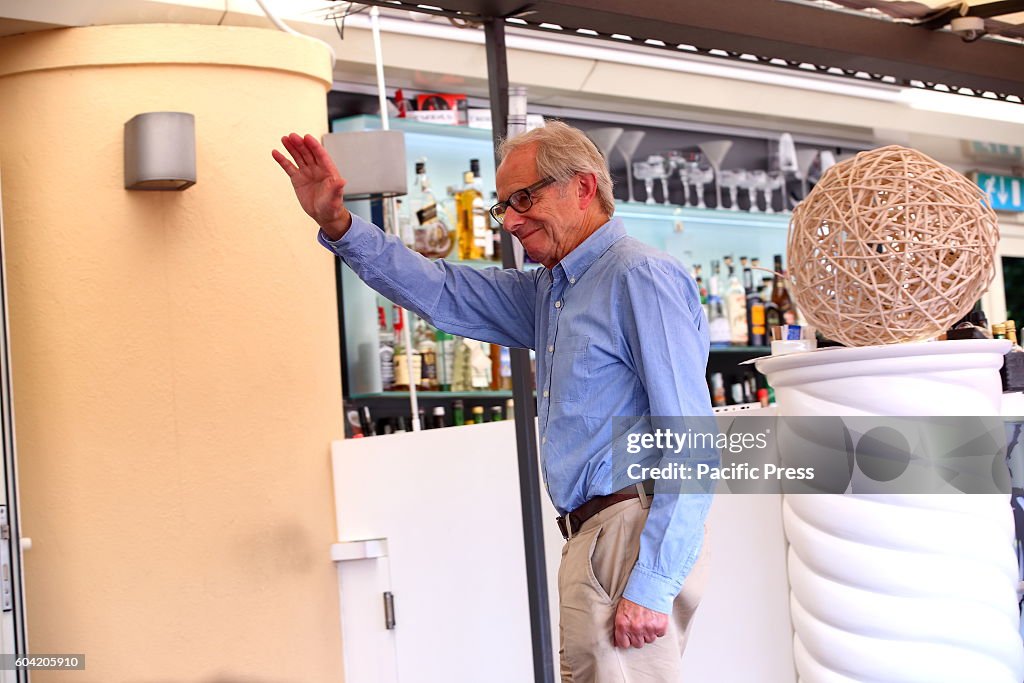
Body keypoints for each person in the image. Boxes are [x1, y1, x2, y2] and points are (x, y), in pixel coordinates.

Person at [272, 121, 715, 681]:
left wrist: (651, 583)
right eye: (502, 207)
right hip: (595, 539)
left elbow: (694, 441)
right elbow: (441, 289)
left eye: (524, 199)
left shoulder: (639, 275)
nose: (511, 221)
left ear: (582, 188)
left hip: (627, 537)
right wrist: (339, 224)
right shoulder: (552, 292)